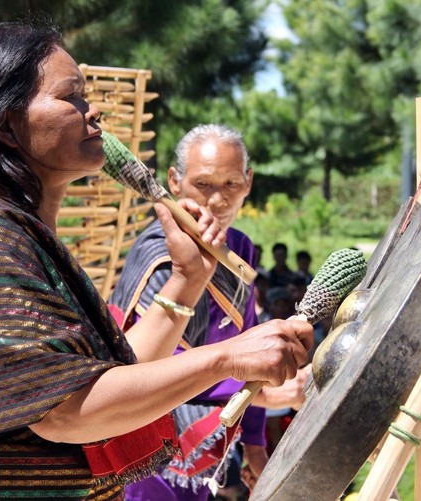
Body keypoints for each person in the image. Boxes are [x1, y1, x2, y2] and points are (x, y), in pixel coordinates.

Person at [0, 24, 313, 501]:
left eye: (87, 94)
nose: (93, 111)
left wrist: (187, 280)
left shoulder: (23, 233)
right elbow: (66, 410)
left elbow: (112, 376)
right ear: (7, 127)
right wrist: (226, 357)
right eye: (70, 97)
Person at [110, 124, 310, 499]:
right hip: (146, 447)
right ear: (175, 181)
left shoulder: (241, 253)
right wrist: (263, 392)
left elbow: (250, 345)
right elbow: (145, 370)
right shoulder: (158, 256)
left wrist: (253, 443)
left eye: (231, 184)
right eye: (203, 184)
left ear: (249, 182)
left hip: (203, 452)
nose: (218, 200)